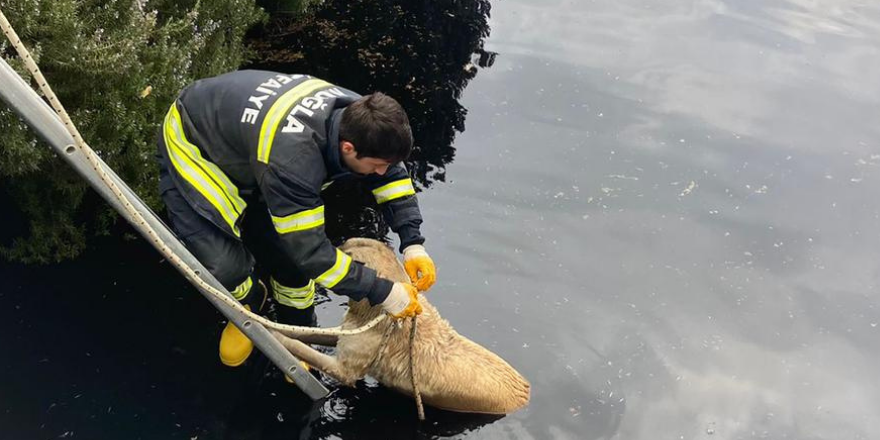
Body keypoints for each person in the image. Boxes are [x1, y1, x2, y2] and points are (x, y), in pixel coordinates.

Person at [156, 70, 436, 368]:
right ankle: (250, 304)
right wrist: (383, 292)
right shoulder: (295, 162)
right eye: (376, 165)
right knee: (224, 266)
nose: (382, 172)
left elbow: (392, 173)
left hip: (255, 151)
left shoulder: (360, 118)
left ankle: (297, 333)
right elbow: (314, 255)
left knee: (289, 263)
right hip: (199, 147)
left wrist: (412, 242)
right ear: (347, 148)